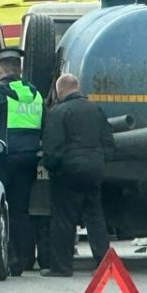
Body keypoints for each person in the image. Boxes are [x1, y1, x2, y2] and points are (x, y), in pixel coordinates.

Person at [0, 47, 43, 275]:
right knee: (21, 210)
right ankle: (24, 259)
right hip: (29, 160)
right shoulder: (35, 94)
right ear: (19, 69)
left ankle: (8, 259)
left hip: (1, 160)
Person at [40, 73, 115, 276]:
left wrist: (51, 167)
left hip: (67, 171)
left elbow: (52, 148)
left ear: (59, 91)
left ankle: (61, 267)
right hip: (94, 169)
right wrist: (100, 162)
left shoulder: (58, 112)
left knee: (63, 218)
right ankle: (104, 265)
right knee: (95, 217)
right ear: (77, 88)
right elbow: (109, 143)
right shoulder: (96, 110)